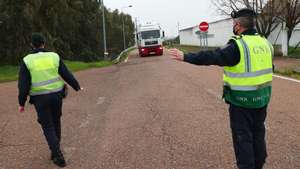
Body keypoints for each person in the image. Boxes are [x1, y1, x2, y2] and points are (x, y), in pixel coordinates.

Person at [169, 8, 273, 169]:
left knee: (243, 139)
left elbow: (213, 56)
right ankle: (259, 164)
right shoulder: (266, 44)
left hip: (241, 103)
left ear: (238, 25)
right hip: (262, 100)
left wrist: (185, 56)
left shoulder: (238, 45)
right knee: (258, 134)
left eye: (234, 24)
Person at [18, 33, 82, 167]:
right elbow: (66, 73)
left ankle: (57, 154)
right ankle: (55, 150)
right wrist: (76, 86)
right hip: (56, 95)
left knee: (47, 125)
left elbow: (23, 85)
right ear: (44, 43)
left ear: (32, 45)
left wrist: (21, 103)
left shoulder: (27, 60)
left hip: (40, 98)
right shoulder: (54, 56)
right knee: (56, 121)